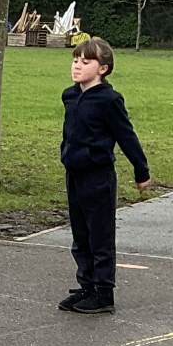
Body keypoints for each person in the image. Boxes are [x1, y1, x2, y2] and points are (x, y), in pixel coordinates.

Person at [58, 36, 150, 316]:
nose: (77, 66)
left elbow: (126, 136)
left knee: (100, 235)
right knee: (80, 234)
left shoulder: (109, 100)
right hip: (74, 174)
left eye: (85, 62)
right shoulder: (70, 96)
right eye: (75, 60)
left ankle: (103, 291)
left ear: (103, 69)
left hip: (98, 177)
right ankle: (86, 286)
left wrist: (141, 170)